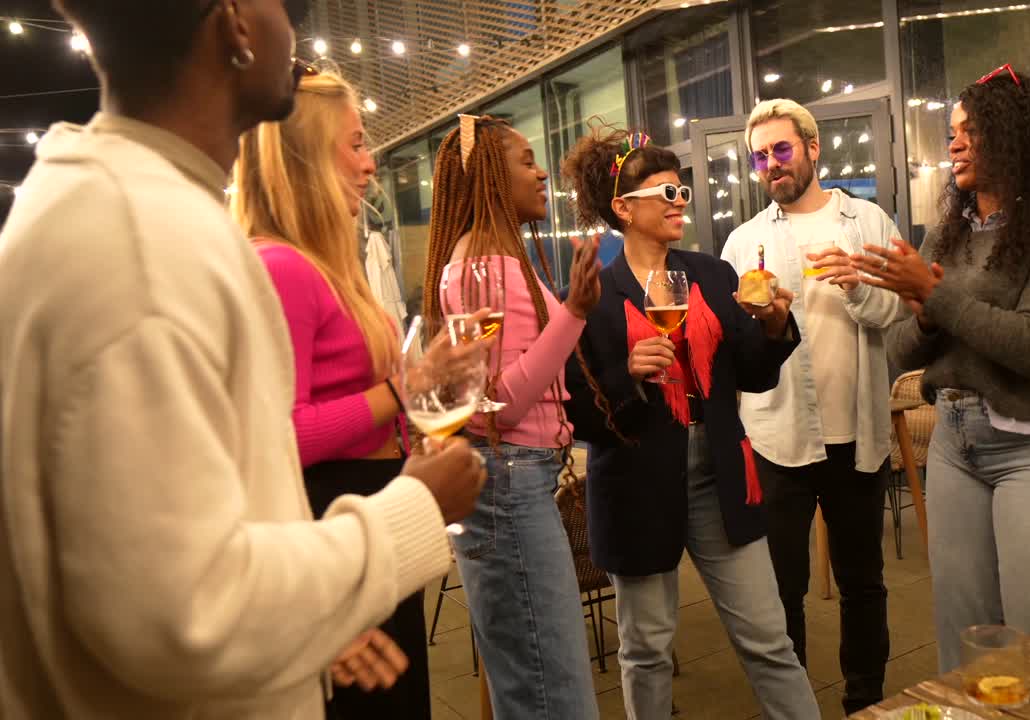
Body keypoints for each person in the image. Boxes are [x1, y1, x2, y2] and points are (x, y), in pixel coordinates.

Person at [0, 1, 486, 717]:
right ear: (233, 23)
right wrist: (416, 509)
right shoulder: (143, 247)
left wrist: (309, 621)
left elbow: (214, 503)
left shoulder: (142, 214)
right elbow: (184, 615)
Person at [852, 66, 1030, 673]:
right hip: (954, 444)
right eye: (952, 131)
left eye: (972, 129)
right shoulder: (947, 235)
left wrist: (936, 298)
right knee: (965, 637)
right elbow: (898, 353)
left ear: (1015, 137)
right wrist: (923, 315)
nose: (955, 142)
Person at [561, 124, 820, 720]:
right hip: (636, 482)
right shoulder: (592, 294)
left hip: (721, 472)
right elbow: (579, 413)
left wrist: (776, 327)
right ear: (623, 209)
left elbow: (751, 376)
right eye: (665, 195)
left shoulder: (710, 274)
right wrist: (627, 374)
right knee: (647, 648)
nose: (680, 204)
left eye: (682, 193)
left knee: (768, 637)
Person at [231, 67, 435, 719]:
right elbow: (275, 438)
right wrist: (403, 394)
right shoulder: (282, 266)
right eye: (355, 144)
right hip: (332, 524)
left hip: (367, 518)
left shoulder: (317, 264)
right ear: (309, 158)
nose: (370, 165)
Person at [719, 98, 903, 714]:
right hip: (778, 436)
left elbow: (896, 317)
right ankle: (791, 706)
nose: (771, 164)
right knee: (781, 591)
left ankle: (865, 701)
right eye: (760, 156)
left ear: (813, 149)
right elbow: (734, 351)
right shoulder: (744, 242)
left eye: (782, 149)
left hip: (857, 435)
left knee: (862, 582)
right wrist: (757, 324)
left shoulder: (870, 221)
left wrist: (856, 287)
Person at [420, 114, 603, 720]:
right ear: (491, 179)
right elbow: (496, 402)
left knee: (532, 683)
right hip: (509, 483)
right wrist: (574, 311)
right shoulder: (482, 267)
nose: (542, 170)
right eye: (526, 160)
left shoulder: (493, 260)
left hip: (517, 479)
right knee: (555, 693)